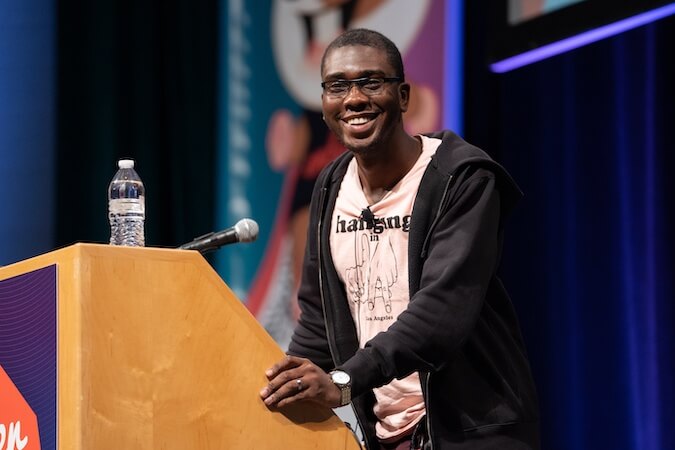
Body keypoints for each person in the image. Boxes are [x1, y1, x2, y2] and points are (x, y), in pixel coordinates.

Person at [259, 28, 540, 450]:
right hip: (388, 435)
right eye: (337, 86)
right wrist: (280, 387)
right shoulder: (331, 187)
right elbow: (318, 322)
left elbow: (440, 313)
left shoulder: (461, 178)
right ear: (324, 104)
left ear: (403, 96)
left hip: (473, 431)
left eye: (371, 82)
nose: (354, 98)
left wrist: (344, 381)